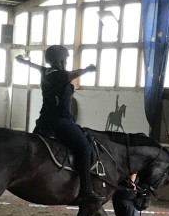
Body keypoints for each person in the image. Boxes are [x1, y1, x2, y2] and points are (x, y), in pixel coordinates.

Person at [15, 46, 103, 203]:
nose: (66, 62)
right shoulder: (61, 75)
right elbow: (73, 74)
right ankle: (86, 190)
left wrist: (25, 63)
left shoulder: (46, 72)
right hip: (60, 121)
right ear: (61, 60)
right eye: (65, 59)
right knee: (85, 147)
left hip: (43, 121)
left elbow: (36, 66)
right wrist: (88, 69)